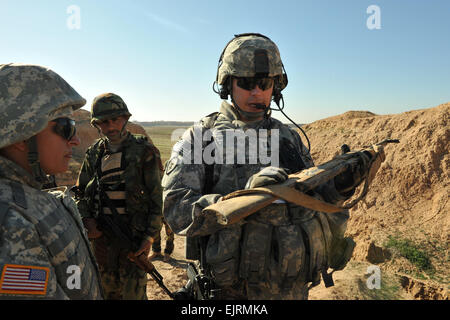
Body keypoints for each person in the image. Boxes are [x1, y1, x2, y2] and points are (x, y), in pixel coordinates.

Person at [162, 33, 370, 299]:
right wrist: (242, 200)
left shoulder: (289, 138)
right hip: (232, 293)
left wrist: (340, 186)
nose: (256, 91)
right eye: (246, 83)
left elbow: (310, 199)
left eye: (264, 82)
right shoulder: (201, 138)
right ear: (227, 84)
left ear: (277, 86)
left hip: (292, 289)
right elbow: (176, 209)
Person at [0, 63, 103, 299]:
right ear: (21, 135)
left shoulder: (27, 196)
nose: (76, 140)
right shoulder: (10, 221)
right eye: (66, 128)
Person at [75, 93, 163, 300]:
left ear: (125, 118)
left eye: (115, 120)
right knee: (105, 292)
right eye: (104, 122)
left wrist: (149, 237)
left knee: (134, 294)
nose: (110, 127)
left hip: (133, 238)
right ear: (96, 125)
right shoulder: (94, 153)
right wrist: (88, 221)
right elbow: (79, 191)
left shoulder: (144, 151)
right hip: (102, 241)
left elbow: (156, 198)